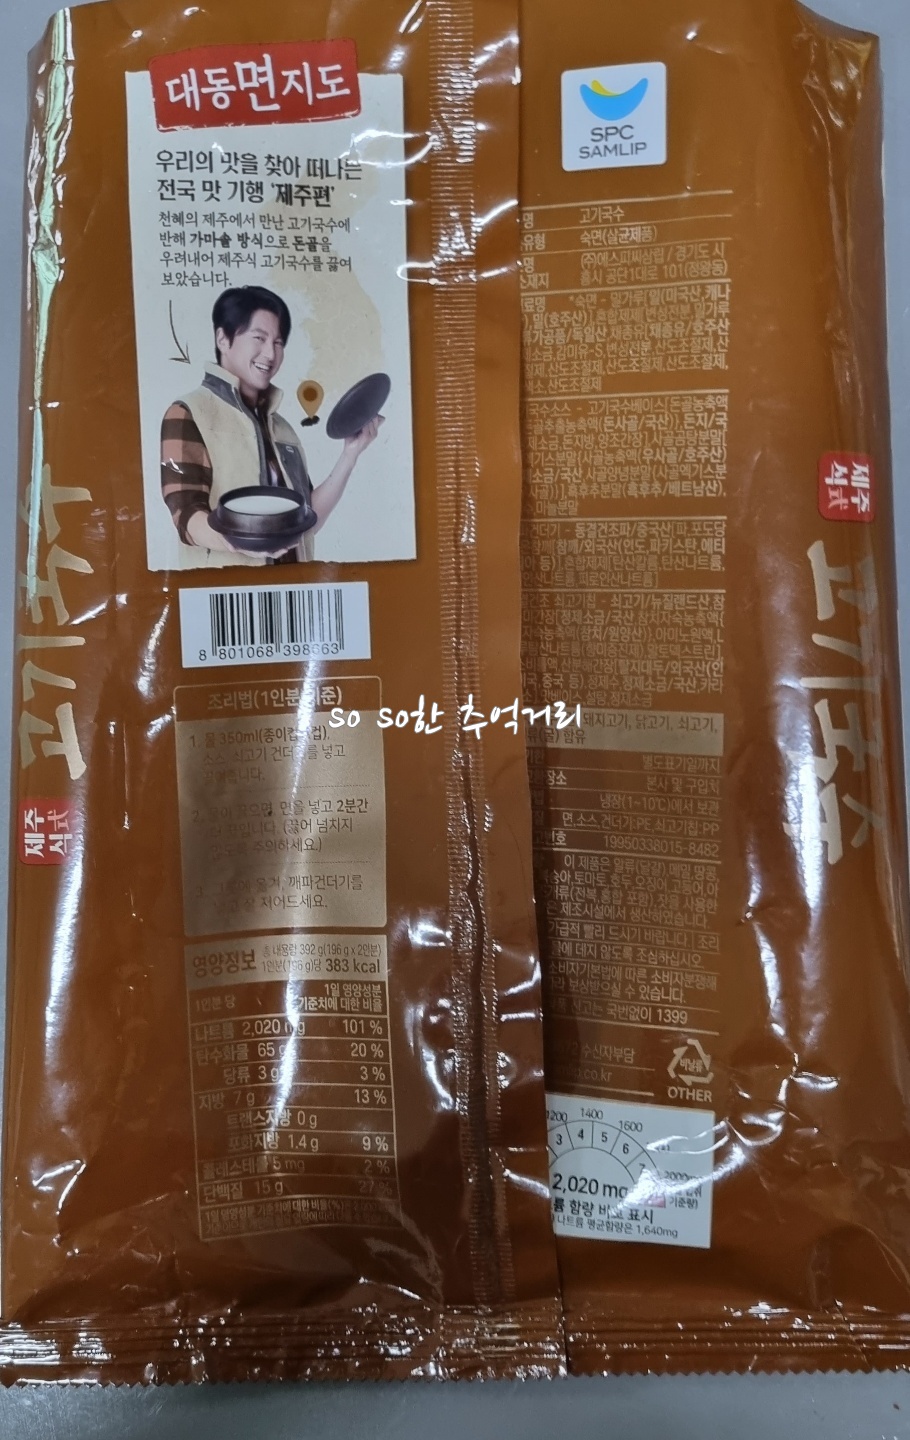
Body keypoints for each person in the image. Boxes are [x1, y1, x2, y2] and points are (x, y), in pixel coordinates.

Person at [160, 286, 380, 565]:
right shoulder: (188, 413)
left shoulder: (283, 428)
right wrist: (239, 540)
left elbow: (306, 521)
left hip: (293, 584)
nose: (270, 353)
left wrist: (351, 453)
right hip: (227, 587)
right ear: (223, 339)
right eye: (259, 338)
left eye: (278, 342)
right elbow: (185, 515)